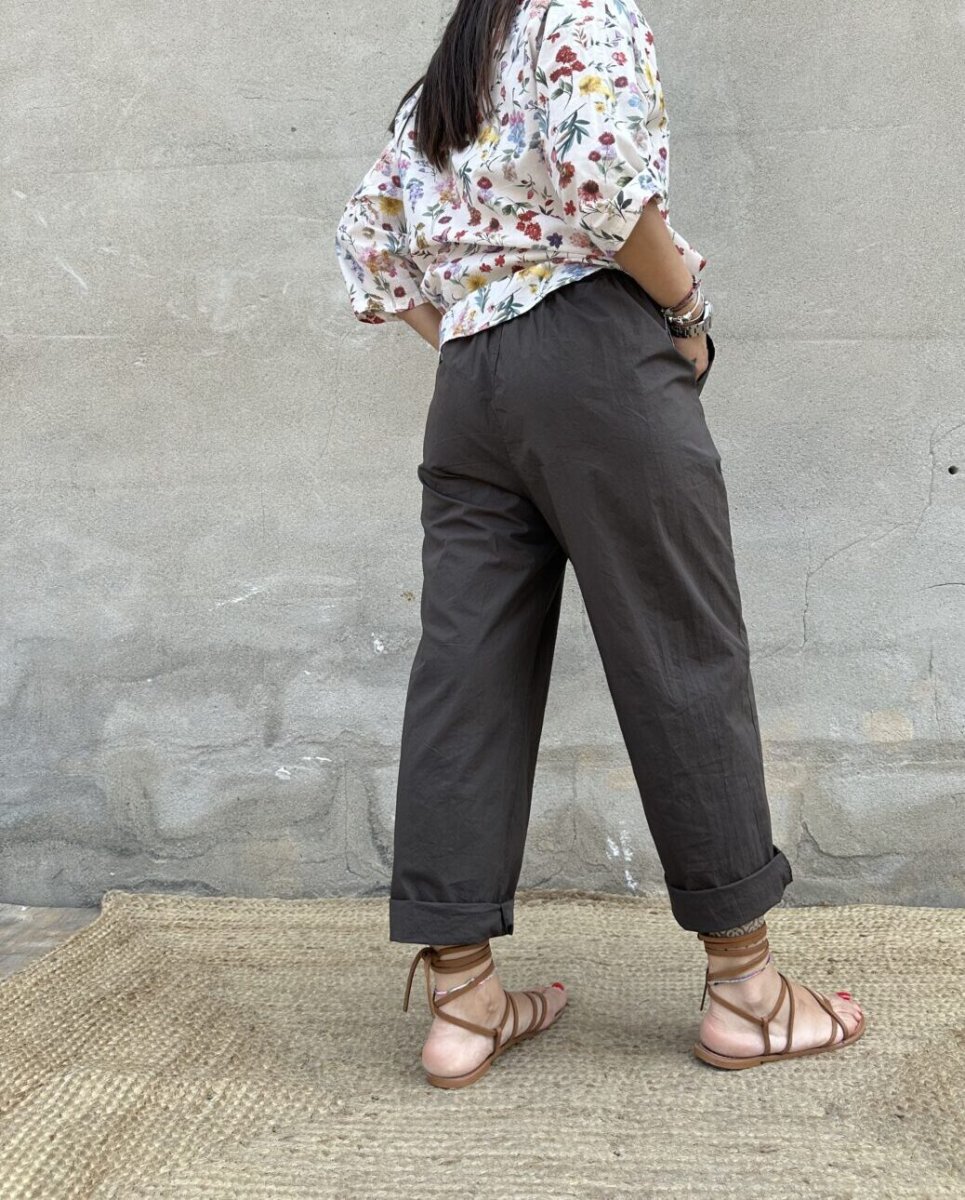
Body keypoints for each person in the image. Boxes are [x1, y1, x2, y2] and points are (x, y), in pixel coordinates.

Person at [334, 0, 865, 1088]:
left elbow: (367, 244)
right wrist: (686, 317)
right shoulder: (582, 10)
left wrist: (476, 333)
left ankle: (463, 1003)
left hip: (468, 389)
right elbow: (608, 187)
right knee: (680, 649)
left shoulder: (451, 73)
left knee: (464, 673)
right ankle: (745, 992)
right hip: (594, 350)